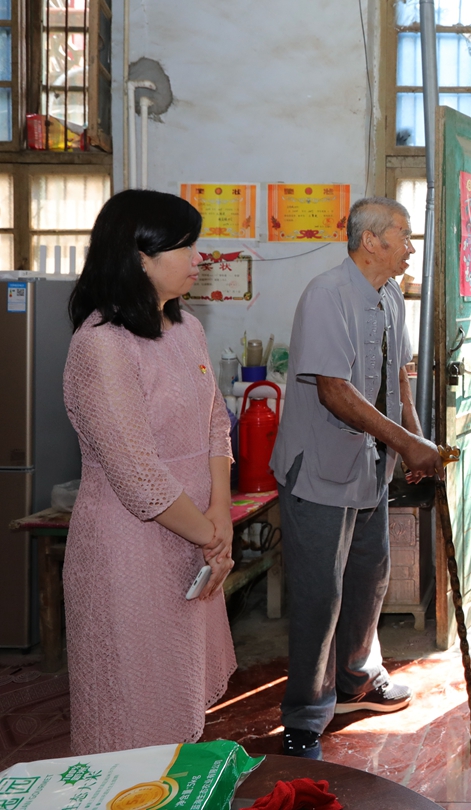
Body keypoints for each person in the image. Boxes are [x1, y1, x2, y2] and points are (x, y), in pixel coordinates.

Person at [62, 189, 236, 754]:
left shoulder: (187, 330)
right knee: (133, 709)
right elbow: (138, 475)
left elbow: (216, 423)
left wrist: (221, 514)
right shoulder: (102, 346)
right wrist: (212, 536)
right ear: (140, 258)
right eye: (185, 247)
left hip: (193, 533)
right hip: (129, 549)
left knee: (181, 694)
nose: (198, 259)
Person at [270, 197, 443, 760]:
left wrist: (414, 440)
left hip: (370, 467)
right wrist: (407, 444)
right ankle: (304, 715)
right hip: (320, 469)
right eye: (403, 235)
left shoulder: (389, 295)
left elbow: (400, 376)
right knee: (320, 593)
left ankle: (356, 682)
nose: (410, 247)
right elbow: (334, 391)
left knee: (370, 578)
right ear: (371, 240)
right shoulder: (327, 295)